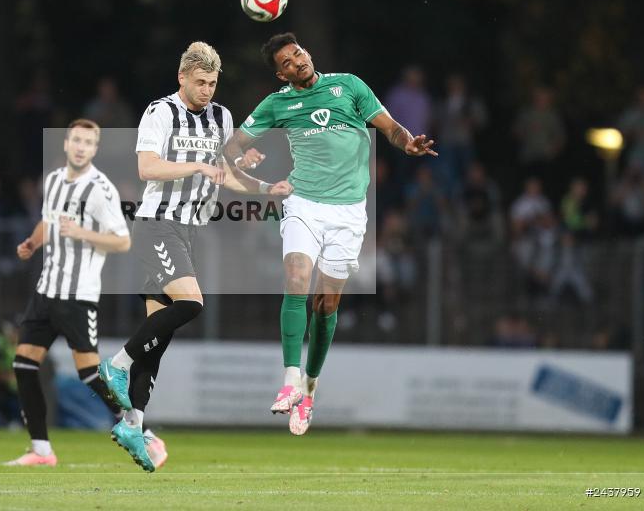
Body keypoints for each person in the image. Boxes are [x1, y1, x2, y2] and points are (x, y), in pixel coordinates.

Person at [223, 32, 436, 436]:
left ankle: (309, 388)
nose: (296, 61)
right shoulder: (277, 104)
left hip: (349, 212)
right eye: (286, 62)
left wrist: (407, 144)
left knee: (324, 304)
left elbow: (389, 127)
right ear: (280, 75)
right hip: (303, 201)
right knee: (296, 278)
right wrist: (244, 157)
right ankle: (289, 379)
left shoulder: (349, 86)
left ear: (307, 53)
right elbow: (231, 147)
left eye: (298, 53)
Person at [98, 42, 290, 471]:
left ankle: (132, 424)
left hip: (188, 232)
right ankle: (115, 365)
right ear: (182, 77)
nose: (206, 90)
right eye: (199, 82)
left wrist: (264, 188)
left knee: (157, 340)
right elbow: (147, 167)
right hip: (156, 226)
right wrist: (199, 167)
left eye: (212, 83)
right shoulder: (160, 112)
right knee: (191, 303)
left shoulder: (221, 118)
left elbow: (229, 175)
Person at [4, 119, 169, 468]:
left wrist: (80, 233)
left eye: (88, 142)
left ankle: (144, 432)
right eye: (75, 140)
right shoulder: (52, 181)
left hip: (77, 295)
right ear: (66, 144)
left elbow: (122, 240)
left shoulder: (101, 189)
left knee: (92, 375)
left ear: (94, 149)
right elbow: (49, 222)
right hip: (45, 291)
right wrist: (33, 243)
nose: (80, 146)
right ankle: (41, 450)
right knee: (23, 364)